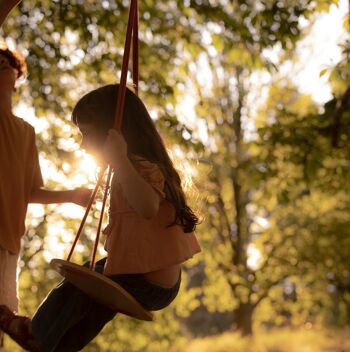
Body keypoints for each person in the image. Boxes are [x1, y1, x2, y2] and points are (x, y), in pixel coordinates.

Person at [1, 84, 202, 351]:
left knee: (78, 284)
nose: (83, 144)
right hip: (144, 279)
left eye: (86, 134)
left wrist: (119, 159)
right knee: (94, 301)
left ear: (113, 133)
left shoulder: (139, 167)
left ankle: (36, 334)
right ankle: (58, 346)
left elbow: (147, 207)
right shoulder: (132, 168)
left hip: (145, 281)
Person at [0, 46, 92, 351]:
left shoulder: (25, 132)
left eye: (5, 63)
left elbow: (30, 192)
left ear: (16, 78)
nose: (0, 65)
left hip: (8, 241)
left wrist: (73, 196)